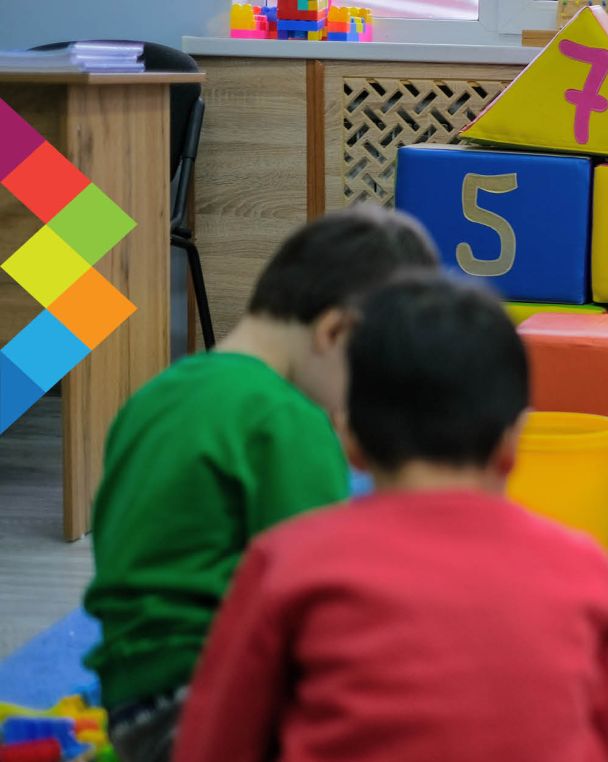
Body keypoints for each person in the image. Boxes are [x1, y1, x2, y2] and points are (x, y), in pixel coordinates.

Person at [173, 274, 608, 762]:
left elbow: (213, 745)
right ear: (512, 444)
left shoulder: (286, 562)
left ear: (350, 440)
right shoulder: (587, 569)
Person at [83, 204, 440, 762]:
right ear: (335, 331)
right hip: (211, 710)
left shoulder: (162, 392)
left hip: (130, 704)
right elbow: (327, 604)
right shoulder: (284, 419)